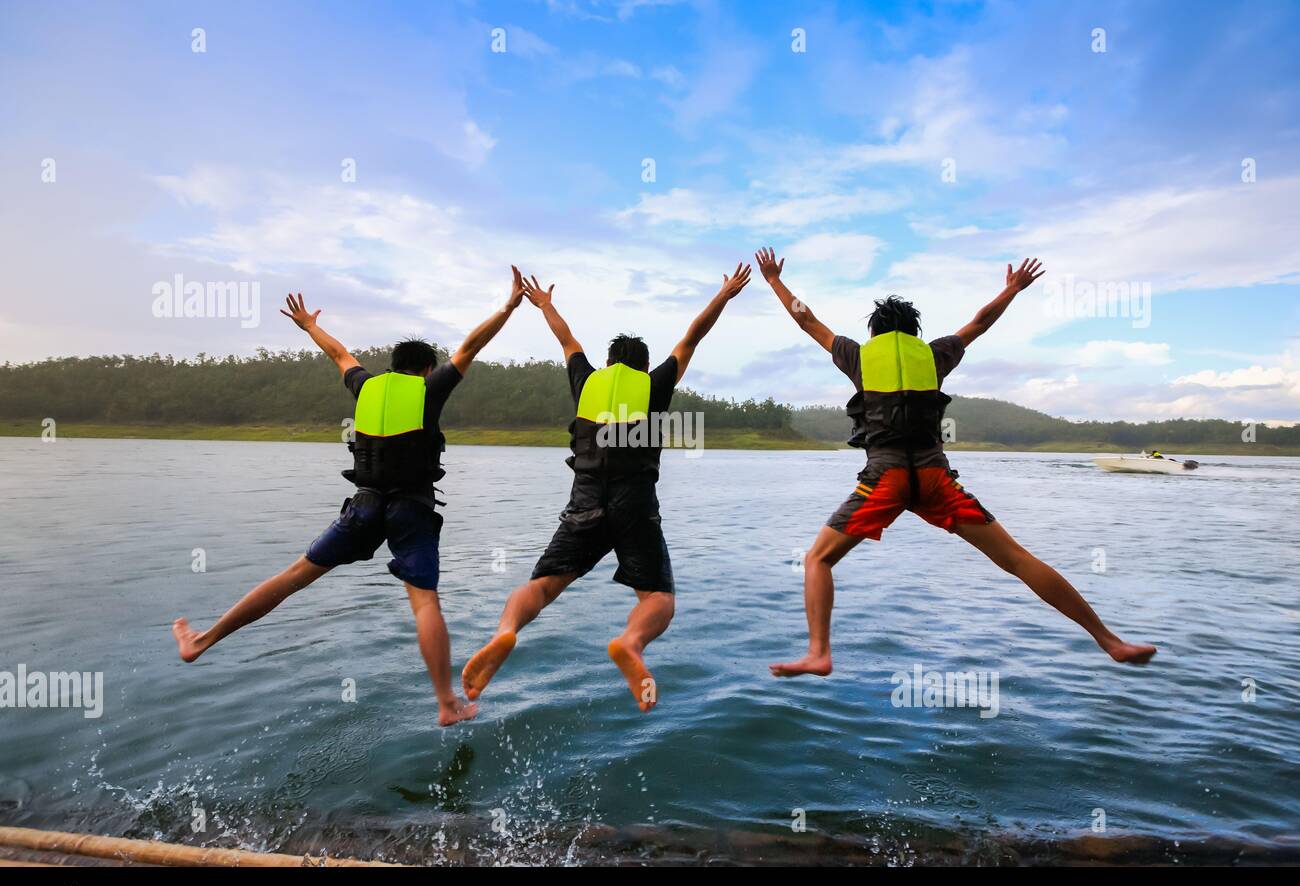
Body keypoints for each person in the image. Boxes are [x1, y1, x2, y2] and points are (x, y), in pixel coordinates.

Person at [754, 248, 1157, 672]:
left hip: (885, 478)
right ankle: (1110, 641)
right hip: (934, 478)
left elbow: (806, 319)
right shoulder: (934, 354)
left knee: (818, 559)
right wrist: (1013, 290)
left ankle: (819, 652)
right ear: (914, 333)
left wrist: (774, 281)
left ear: (875, 333)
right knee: (1018, 560)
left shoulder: (857, 356)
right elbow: (979, 323)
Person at [172, 269, 527, 726]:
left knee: (293, 576)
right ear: (424, 368)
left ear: (393, 365)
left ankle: (202, 640)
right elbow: (470, 347)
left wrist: (309, 326)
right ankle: (445, 703)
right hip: (411, 511)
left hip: (363, 506)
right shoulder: (429, 387)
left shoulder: (365, 385)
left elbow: (339, 353)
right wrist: (508, 307)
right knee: (424, 602)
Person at [461, 264, 752, 712]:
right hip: (635, 505)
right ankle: (631, 644)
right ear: (642, 364)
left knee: (541, 586)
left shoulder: (586, 380)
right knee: (658, 599)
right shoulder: (654, 384)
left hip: (584, 503)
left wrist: (545, 304)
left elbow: (566, 339)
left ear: (611, 361)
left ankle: (505, 632)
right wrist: (724, 295)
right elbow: (693, 336)